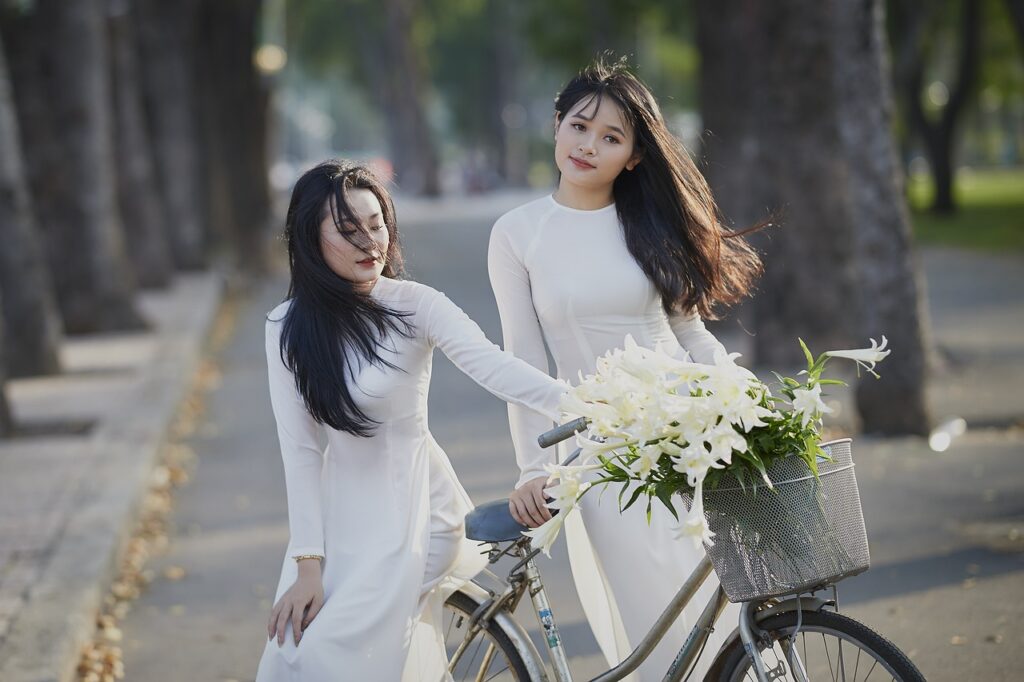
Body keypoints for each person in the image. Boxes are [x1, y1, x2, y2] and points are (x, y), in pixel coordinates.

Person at [487, 58, 763, 680]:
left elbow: (689, 329)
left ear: (635, 156)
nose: (589, 145)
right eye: (580, 127)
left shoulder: (648, 223)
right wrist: (536, 468)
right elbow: (522, 360)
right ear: (557, 124)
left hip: (693, 434)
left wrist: (740, 399)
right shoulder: (518, 234)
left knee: (734, 611)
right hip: (607, 456)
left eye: (611, 138)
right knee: (662, 620)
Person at [255, 161, 566, 681]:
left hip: (414, 514)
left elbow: (495, 368)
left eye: (376, 224)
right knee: (295, 653)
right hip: (337, 528)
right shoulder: (285, 328)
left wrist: (593, 404)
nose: (369, 241)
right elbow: (302, 451)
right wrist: (309, 564)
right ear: (311, 238)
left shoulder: (414, 306)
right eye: (348, 230)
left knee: (335, 654)